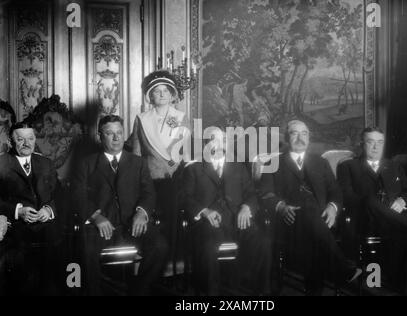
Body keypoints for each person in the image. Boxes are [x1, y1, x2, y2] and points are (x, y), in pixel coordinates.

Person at [259, 120, 360, 295]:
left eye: (304, 133)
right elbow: (265, 194)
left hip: (322, 220)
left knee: (313, 216)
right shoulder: (272, 163)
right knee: (308, 208)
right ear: (286, 137)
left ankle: (315, 289)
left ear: (309, 137)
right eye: (294, 133)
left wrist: (332, 207)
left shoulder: (320, 162)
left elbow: (335, 191)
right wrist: (281, 207)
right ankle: (342, 269)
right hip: (288, 222)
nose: (300, 138)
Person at [72, 115, 169, 296]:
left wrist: (142, 213)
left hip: (132, 225)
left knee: (160, 246)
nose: (116, 138)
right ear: (100, 136)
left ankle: (139, 289)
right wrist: (96, 216)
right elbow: (77, 195)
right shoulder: (86, 163)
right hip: (101, 227)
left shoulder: (138, 163)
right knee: (85, 250)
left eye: (119, 133)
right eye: (110, 133)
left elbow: (149, 193)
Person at [183, 128, 271, 295]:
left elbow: (251, 194)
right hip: (209, 223)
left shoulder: (238, 166)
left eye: (222, 140)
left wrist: (247, 207)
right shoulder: (194, 168)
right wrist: (204, 211)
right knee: (208, 248)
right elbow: (185, 198)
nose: (218, 144)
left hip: (238, 220)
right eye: (213, 140)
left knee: (263, 243)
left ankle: (263, 294)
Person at [337, 127, 407, 295]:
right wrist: (370, 204)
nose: (375, 147)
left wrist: (402, 200)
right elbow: (346, 196)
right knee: (369, 200)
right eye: (370, 142)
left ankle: (406, 291)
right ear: (362, 144)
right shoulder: (348, 166)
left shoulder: (393, 165)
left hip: (394, 222)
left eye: (380, 143)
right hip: (365, 221)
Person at [127, 70, 188, 257]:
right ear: (150, 95)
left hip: (174, 179)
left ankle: (173, 256)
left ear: (172, 94)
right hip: (149, 179)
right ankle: (152, 255)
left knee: (174, 218)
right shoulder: (142, 119)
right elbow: (136, 153)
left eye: (165, 91)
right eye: (157, 91)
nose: (161, 94)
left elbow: (187, 152)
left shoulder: (181, 117)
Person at [0, 122, 58, 295]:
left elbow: (60, 194)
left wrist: (48, 209)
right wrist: (18, 211)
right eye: (20, 139)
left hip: (46, 229)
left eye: (30, 138)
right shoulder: (1, 163)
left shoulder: (46, 163)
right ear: (11, 142)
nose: (26, 143)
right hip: (15, 231)